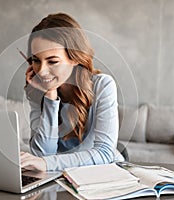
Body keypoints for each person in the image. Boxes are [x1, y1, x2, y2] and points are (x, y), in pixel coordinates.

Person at [20, 13, 123, 172]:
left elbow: (105, 153)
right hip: (60, 177)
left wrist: (47, 163)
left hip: (101, 175)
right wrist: (50, 97)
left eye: (53, 61)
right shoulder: (37, 90)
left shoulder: (103, 85)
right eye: (36, 60)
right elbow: (43, 154)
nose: (41, 71)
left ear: (75, 58)